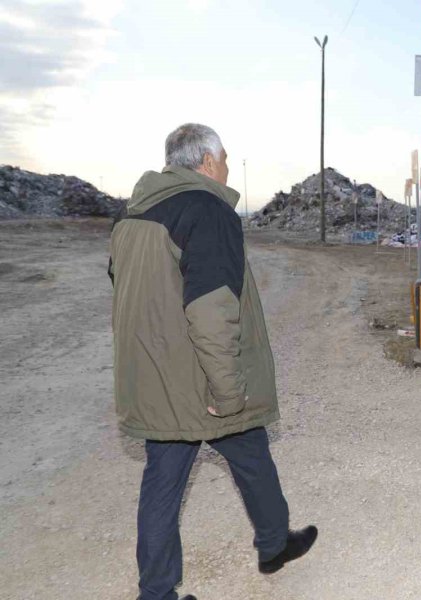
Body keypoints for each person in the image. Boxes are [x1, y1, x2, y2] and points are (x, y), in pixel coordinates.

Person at [109, 123, 317, 600]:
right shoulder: (207, 209)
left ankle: (271, 544)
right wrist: (227, 390)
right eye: (223, 159)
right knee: (231, 451)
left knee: (231, 457)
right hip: (199, 378)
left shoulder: (130, 213)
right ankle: (265, 548)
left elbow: (125, 288)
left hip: (156, 375)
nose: (225, 168)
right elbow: (212, 309)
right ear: (206, 162)